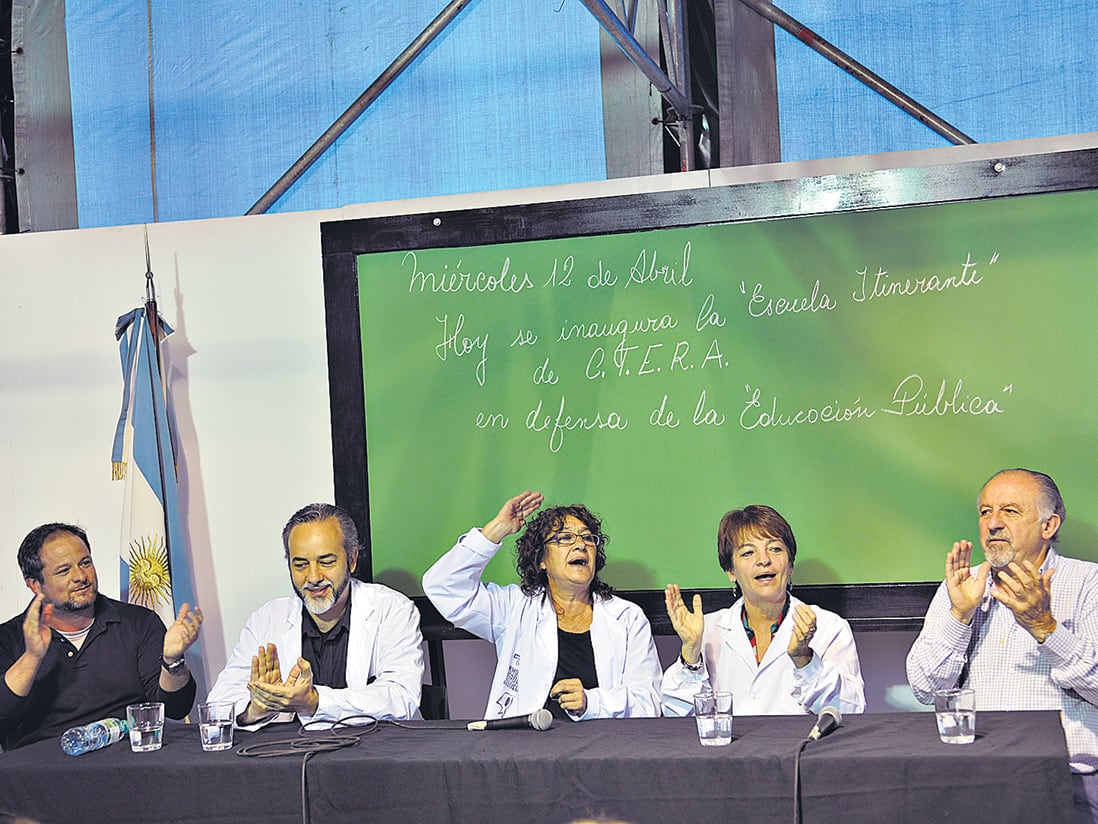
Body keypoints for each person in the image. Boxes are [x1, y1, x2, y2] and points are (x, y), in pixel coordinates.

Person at [906, 468, 1098, 822]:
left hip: (1069, 784)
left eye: (1010, 511)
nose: (993, 523)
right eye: (985, 511)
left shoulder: (1089, 583)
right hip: (973, 780)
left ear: (1049, 526)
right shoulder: (963, 586)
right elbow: (924, 688)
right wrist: (959, 617)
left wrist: (1046, 627)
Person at [422, 490, 662, 721]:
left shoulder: (627, 618)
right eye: (565, 538)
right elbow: (443, 586)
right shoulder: (514, 608)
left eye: (588, 538)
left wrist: (592, 702)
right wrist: (496, 530)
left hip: (602, 751)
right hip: (524, 751)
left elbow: (649, 701)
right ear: (541, 560)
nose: (581, 546)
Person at [207, 503, 423, 728]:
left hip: (376, 754)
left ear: (352, 560)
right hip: (291, 756)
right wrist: (256, 708)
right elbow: (218, 705)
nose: (313, 577)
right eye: (300, 564)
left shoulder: (393, 609)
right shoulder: (266, 619)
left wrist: (315, 702)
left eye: (326, 562)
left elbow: (402, 697)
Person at [0, 523, 202, 751]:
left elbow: (176, 709)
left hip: (124, 765)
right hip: (38, 773)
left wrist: (173, 661)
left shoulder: (138, 623)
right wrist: (32, 657)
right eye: (64, 571)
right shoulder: (7, 639)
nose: (80, 577)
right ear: (35, 584)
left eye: (85, 563)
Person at [662, 505, 865, 717]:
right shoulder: (708, 630)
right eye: (748, 552)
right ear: (730, 571)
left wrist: (805, 659)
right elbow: (675, 715)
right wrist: (691, 653)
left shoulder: (830, 627)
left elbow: (851, 709)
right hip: (726, 749)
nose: (764, 560)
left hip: (802, 748)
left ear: (790, 565)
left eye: (775, 549)